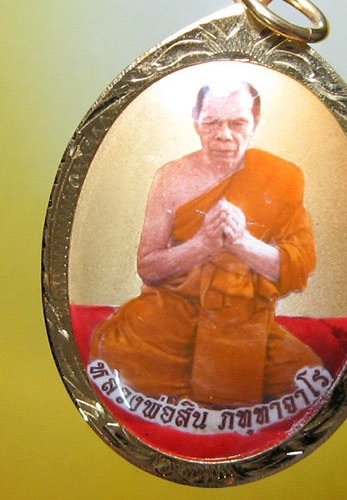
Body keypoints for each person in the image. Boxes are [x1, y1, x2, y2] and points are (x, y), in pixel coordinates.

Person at [91, 81, 322, 406]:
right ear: (196, 121)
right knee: (115, 355)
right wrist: (203, 244)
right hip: (172, 316)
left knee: (308, 376)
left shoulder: (280, 177)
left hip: (244, 320)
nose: (224, 135)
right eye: (212, 122)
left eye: (237, 123)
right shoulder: (171, 178)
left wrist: (241, 242)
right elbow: (148, 267)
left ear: (255, 123)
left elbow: (297, 268)